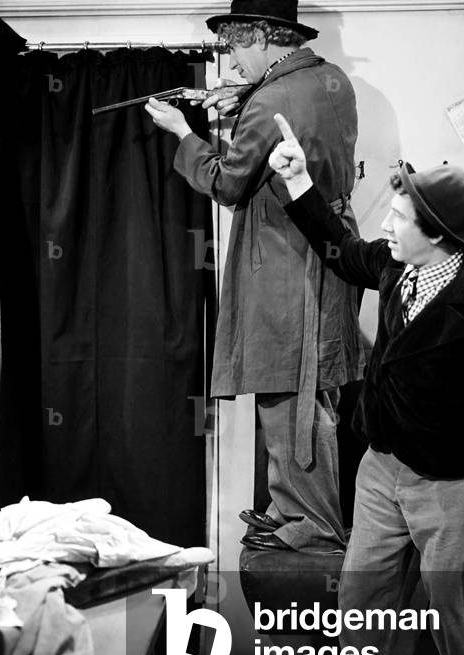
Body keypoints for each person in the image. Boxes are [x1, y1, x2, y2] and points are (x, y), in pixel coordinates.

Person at [268, 112, 464, 655]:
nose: (385, 226)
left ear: (439, 236)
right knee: (361, 603)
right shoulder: (397, 267)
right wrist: (300, 182)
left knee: (458, 620)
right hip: (380, 470)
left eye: (398, 219)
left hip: (451, 488)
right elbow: (342, 253)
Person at [143, 0, 364, 553]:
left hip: (286, 256)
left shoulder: (270, 100)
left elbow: (228, 184)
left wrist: (182, 131)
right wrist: (243, 97)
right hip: (331, 246)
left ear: (265, 36)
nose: (233, 60)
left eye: (238, 46)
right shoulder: (332, 78)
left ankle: (310, 520)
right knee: (311, 386)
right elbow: (295, 115)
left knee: (285, 386)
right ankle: (297, 509)